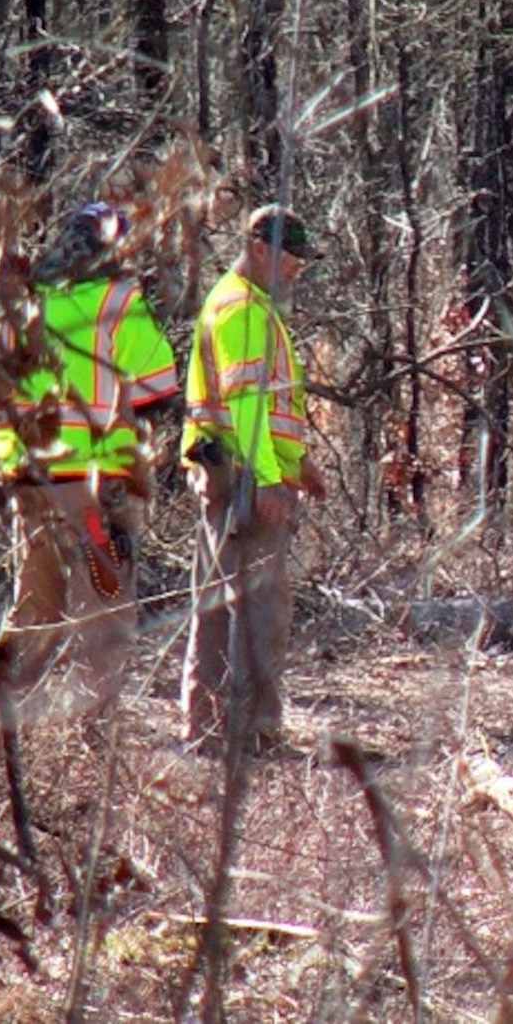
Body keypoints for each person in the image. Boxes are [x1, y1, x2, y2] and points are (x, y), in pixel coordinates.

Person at [0, 200, 180, 717]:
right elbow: (157, 386)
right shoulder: (118, 299)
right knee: (106, 609)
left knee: (36, 607)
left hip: (29, 480)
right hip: (95, 488)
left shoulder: (23, 302)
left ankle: (6, 722)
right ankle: (95, 727)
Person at [179, 203, 327, 752]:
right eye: (291, 258)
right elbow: (247, 408)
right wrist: (268, 480)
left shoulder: (243, 304)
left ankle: (212, 731)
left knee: (222, 605)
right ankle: (254, 733)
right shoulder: (243, 310)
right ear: (260, 249)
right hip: (243, 482)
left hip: (235, 475)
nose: (297, 270)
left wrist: (298, 463)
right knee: (260, 612)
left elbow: (268, 410)